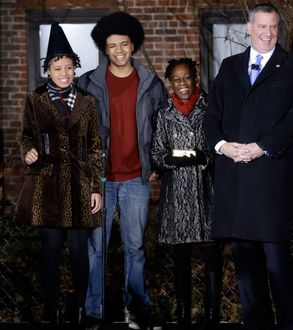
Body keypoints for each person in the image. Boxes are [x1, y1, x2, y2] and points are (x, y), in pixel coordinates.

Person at [203, 3, 293, 330]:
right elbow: (212, 117)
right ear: (249, 29)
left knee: (277, 264)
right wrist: (223, 146)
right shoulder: (229, 65)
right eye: (262, 27)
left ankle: (289, 324)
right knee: (246, 267)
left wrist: (261, 146)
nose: (268, 34)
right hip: (233, 179)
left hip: (269, 179)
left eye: (274, 27)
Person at [77, 11, 166, 330]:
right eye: (112, 45)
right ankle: (93, 309)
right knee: (96, 249)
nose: (119, 50)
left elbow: (161, 128)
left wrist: (156, 163)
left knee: (135, 248)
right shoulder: (87, 83)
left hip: (136, 180)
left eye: (124, 44)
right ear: (105, 48)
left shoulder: (151, 84)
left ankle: (137, 309)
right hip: (99, 182)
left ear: (133, 46)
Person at [14, 23, 102, 329]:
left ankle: (78, 310)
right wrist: (28, 152)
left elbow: (94, 147)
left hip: (79, 188)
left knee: (80, 254)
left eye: (68, 67)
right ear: (47, 70)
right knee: (50, 254)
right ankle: (51, 313)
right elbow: (25, 136)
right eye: (57, 68)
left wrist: (96, 188)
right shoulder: (34, 100)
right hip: (47, 188)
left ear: (75, 69)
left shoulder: (89, 103)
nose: (63, 73)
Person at [151, 58, 222, 330]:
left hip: (206, 194)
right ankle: (183, 318)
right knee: (180, 262)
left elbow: (219, 149)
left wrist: (203, 158)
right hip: (177, 196)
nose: (183, 84)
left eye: (187, 78)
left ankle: (212, 317)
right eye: (176, 79)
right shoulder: (164, 114)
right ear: (170, 83)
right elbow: (157, 153)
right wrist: (177, 159)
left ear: (195, 78)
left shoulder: (210, 109)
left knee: (211, 260)